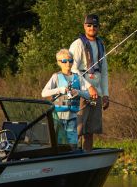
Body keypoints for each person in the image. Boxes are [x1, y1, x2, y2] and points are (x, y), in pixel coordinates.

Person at [69, 13, 109, 152]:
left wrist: (105, 94)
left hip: (96, 93)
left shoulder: (101, 45)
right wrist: (89, 87)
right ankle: (71, 157)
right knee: (78, 129)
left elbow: (104, 73)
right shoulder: (77, 44)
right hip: (80, 91)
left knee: (90, 131)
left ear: (98, 27)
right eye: (89, 25)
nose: (92, 28)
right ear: (84, 26)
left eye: (95, 25)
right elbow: (73, 69)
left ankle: (87, 156)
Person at [41, 49, 90, 147]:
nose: (68, 63)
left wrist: (78, 92)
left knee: (72, 144)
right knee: (58, 144)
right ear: (59, 63)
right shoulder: (56, 77)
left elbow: (88, 94)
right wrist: (59, 90)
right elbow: (44, 93)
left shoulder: (78, 77)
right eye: (64, 61)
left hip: (72, 117)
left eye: (70, 60)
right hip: (58, 117)